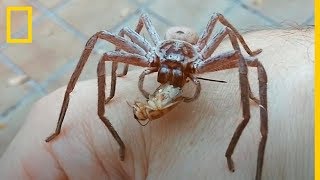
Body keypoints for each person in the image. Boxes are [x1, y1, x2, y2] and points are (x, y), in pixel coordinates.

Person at [0, 29, 314, 179]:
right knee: (105, 42)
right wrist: (108, 92)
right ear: (156, 62)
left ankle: (236, 152)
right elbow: (108, 43)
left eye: (179, 72)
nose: (170, 77)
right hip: (157, 48)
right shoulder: (149, 53)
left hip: (192, 52)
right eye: (165, 71)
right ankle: (102, 96)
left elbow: (237, 46)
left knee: (250, 64)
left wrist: (246, 55)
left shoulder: (203, 58)